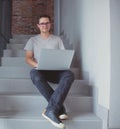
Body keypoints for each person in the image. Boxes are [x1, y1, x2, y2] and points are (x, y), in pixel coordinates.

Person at [24, 14, 74, 129]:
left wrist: (62, 64)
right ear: (38, 26)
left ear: (50, 24)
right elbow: (28, 58)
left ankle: (51, 110)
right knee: (34, 74)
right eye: (42, 23)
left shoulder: (57, 39)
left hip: (56, 70)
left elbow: (63, 55)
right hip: (41, 70)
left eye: (46, 23)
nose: (44, 25)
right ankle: (59, 109)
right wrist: (38, 65)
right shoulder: (33, 40)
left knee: (69, 75)